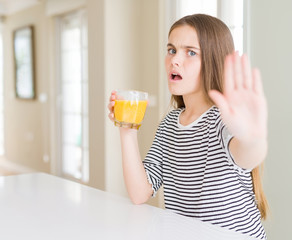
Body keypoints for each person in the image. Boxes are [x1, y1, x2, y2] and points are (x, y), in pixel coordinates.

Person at [108, 14, 268, 240]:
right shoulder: (169, 125)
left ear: (213, 60)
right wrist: (127, 129)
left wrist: (253, 137)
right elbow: (140, 192)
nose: (174, 60)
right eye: (171, 50)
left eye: (190, 52)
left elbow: (248, 156)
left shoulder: (222, 121)